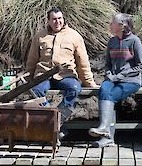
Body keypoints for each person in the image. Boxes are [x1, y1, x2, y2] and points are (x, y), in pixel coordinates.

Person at [26, 7, 97, 141]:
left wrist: (89, 82)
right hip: (43, 74)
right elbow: (32, 60)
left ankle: (57, 122)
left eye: (60, 19)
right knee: (35, 92)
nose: (57, 22)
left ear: (63, 19)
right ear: (48, 21)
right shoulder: (39, 36)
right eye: (54, 19)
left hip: (66, 75)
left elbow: (83, 62)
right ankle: (54, 122)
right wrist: (28, 79)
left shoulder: (74, 36)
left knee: (74, 88)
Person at [88, 13, 142, 147]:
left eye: (112, 22)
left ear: (122, 26)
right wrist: (108, 73)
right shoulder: (112, 41)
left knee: (110, 95)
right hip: (112, 79)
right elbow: (107, 63)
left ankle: (106, 134)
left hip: (131, 81)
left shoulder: (134, 41)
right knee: (104, 90)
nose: (110, 25)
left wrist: (119, 76)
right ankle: (105, 132)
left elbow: (141, 66)